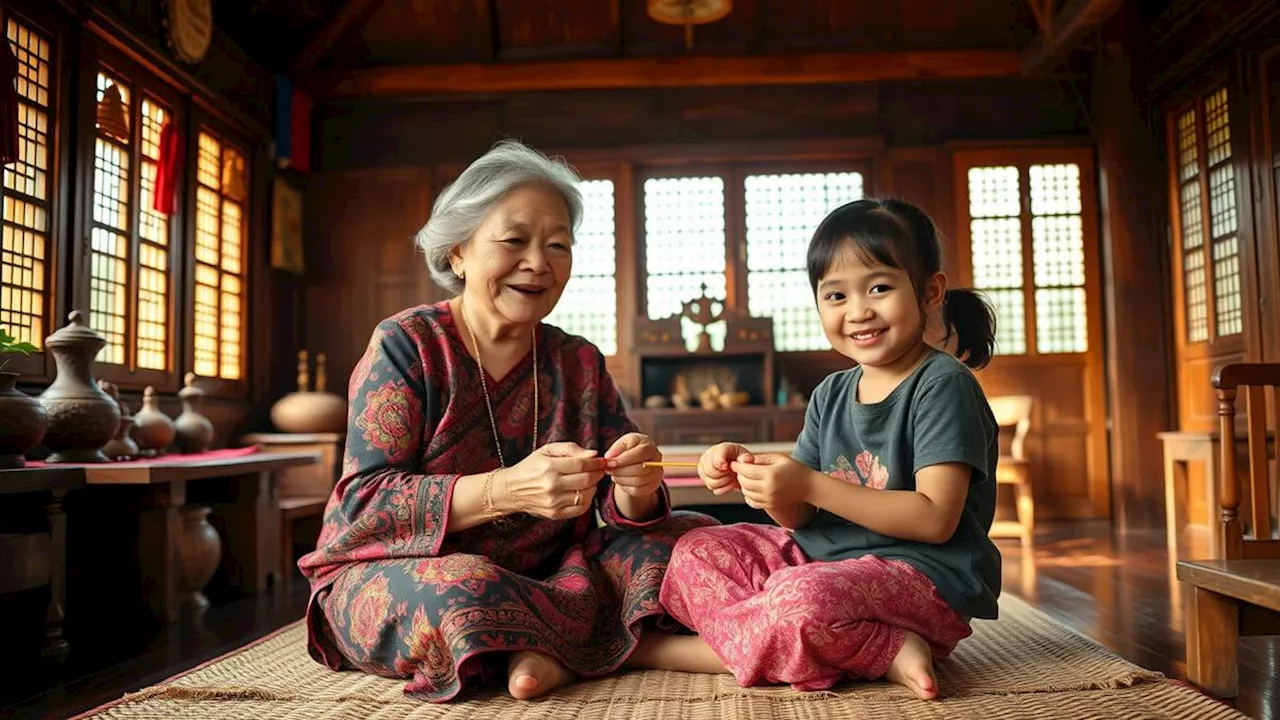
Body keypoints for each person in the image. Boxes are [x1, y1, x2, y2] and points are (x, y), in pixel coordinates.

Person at [297, 139, 717, 703]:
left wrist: (635, 490)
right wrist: (505, 490)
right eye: (514, 240)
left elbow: (619, 515)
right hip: (416, 570)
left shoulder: (579, 360)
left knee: (696, 537)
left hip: (556, 569)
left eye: (557, 245)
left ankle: (547, 649)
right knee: (464, 591)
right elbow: (364, 506)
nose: (538, 263)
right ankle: (616, 645)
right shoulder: (408, 345)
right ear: (458, 252)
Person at [655, 197, 1002, 701]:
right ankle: (878, 647)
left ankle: (669, 653)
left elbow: (934, 519)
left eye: (879, 287)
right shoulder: (831, 392)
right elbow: (800, 516)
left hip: (921, 578)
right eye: (835, 295)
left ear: (930, 292)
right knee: (695, 552)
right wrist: (763, 480)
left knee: (801, 598)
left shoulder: (942, 385)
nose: (858, 311)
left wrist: (810, 482)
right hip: (822, 563)